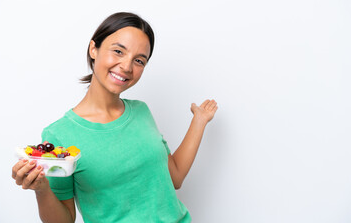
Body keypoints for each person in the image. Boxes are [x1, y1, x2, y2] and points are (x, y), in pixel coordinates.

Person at [12, 12, 218, 223]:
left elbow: (174, 177)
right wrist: (42, 189)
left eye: (139, 60)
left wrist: (199, 121)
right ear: (94, 49)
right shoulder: (59, 134)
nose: (127, 67)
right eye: (118, 51)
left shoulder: (141, 112)